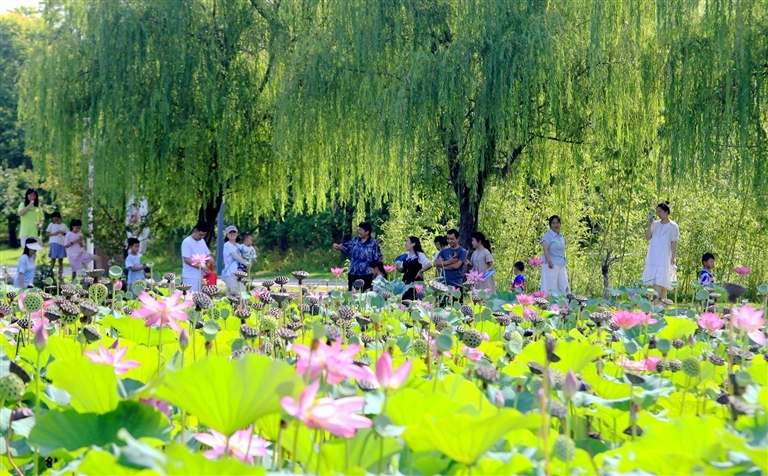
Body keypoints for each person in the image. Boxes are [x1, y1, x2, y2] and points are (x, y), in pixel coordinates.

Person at [641, 202, 679, 301]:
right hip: (653, 255)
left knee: (660, 280)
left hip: (664, 256)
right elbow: (648, 237)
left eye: (660, 211)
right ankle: (664, 303)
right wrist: (649, 225)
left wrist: (673, 257)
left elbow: (674, 242)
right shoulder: (655, 224)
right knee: (659, 282)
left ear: (666, 212)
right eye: (657, 212)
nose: (658, 213)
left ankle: (654, 304)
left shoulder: (673, 226)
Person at [332, 221, 383, 291]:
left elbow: (379, 258)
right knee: (352, 294)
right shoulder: (355, 240)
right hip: (353, 272)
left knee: (365, 294)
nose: (359, 231)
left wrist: (378, 272)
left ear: (367, 232)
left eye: (361, 230)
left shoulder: (373, 243)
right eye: (359, 229)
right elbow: (346, 247)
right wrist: (338, 247)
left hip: (366, 273)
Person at [540, 215, 570, 293]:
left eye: (557, 223)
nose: (556, 225)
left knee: (564, 285)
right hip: (551, 264)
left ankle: (566, 303)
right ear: (550, 225)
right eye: (553, 223)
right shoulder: (548, 235)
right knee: (551, 287)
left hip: (561, 263)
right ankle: (550, 304)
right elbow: (545, 249)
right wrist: (549, 261)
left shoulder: (560, 236)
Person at [434, 229, 468, 294]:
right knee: (443, 303)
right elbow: (435, 263)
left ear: (458, 239)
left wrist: (443, 266)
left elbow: (456, 266)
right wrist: (449, 262)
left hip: (456, 283)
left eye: (452, 239)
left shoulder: (462, 251)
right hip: (444, 283)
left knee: (456, 303)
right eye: (448, 239)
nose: (449, 241)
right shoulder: (443, 251)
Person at [181, 222, 210, 291]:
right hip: (190, 276)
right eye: (200, 235)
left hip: (201, 275)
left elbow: (207, 254)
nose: (202, 237)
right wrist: (201, 267)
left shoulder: (202, 241)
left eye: (204, 235)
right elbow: (187, 260)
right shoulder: (187, 242)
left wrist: (210, 258)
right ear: (195, 231)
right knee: (192, 297)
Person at [221, 225, 249, 296]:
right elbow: (236, 256)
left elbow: (246, 256)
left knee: (242, 295)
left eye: (234, 232)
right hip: (231, 274)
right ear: (227, 235)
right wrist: (246, 263)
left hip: (241, 273)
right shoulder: (227, 245)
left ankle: (242, 307)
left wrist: (247, 264)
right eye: (230, 232)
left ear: (237, 233)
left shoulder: (239, 246)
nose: (232, 234)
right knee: (233, 295)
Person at [46, 211, 69, 279]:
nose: (55, 221)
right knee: (53, 259)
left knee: (60, 260)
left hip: (61, 243)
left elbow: (68, 234)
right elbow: (47, 234)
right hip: (53, 242)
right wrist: (54, 234)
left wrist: (63, 233)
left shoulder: (63, 226)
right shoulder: (51, 225)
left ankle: (60, 274)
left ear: (60, 218)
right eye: (54, 220)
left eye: (57, 219)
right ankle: (51, 274)